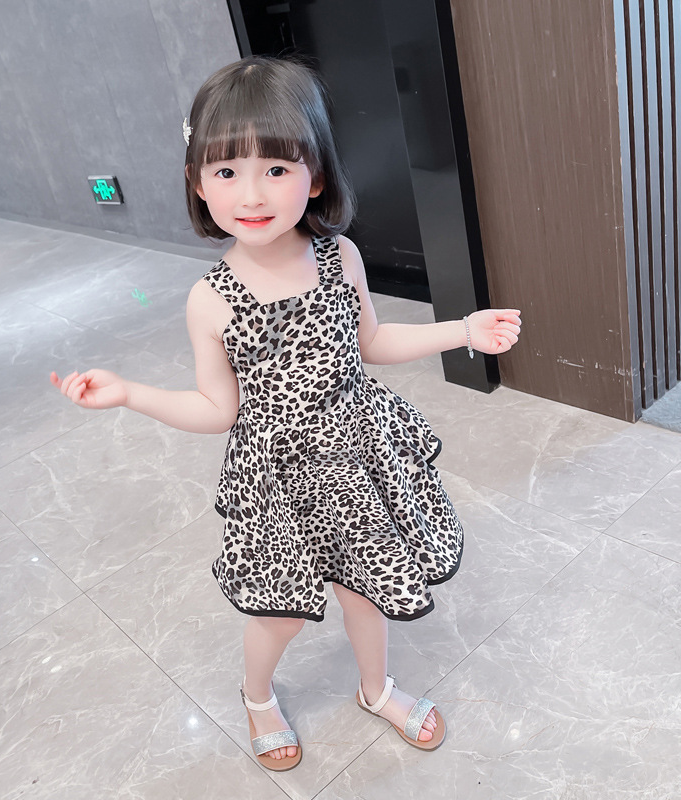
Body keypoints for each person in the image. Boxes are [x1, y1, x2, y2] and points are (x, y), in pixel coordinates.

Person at [51, 56, 521, 772]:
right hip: (279, 479)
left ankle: (376, 689)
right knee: (279, 613)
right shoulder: (210, 299)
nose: (252, 193)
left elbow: (371, 343)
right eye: (226, 171)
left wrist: (461, 330)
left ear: (317, 175)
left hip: (357, 460)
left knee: (366, 591)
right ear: (197, 182)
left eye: (276, 168)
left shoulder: (340, 258)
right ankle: (257, 695)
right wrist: (131, 394)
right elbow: (217, 409)